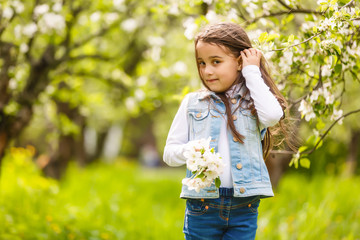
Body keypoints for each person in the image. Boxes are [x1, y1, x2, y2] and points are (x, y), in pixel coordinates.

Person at [163, 22, 288, 240]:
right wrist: (190, 151)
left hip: (244, 206)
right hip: (202, 206)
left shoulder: (253, 102)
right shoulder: (193, 103)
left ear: (239, 62)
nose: (207, 70)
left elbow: (272, 115)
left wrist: (252, 71)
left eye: (216, 62)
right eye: (202, 63)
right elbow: (169, 154)